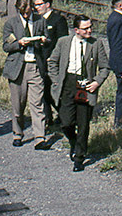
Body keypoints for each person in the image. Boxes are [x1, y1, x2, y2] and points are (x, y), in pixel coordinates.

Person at [47, 14, 110, 171]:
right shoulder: (64, 43)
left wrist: (96, 82)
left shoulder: (96, 44)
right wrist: (56, 80)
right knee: (66, 122)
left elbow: (105, 67)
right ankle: (73, 141)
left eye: (90, 27)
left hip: (86, 87)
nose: (89, 30)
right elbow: (52, 62)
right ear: (76, 30)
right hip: (68, 84)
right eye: (85, 28)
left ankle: (79, 157)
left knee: (83, 124)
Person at [2, 0, 49, 148]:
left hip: (35, 66)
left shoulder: (40, 21)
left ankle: (40, 137)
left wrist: (43, 41)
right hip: (18, 69)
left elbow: (48, 39)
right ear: (18, 10)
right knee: (18, 105)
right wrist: (18, 43)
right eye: (24, 12)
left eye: (29, 12)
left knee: (37, 103)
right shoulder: (11, 23)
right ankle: (17, 133)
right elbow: (6, 46)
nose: (26, 15)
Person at [33, 0, 68, 128]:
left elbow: (62, 41)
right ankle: (48, 118)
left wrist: (54, 58)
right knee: (43, 90)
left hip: (53, 62)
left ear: (48, 4)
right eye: (35, 5)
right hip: (40, 60)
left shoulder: (58, 20)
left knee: (54, 89)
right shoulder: (36, 20)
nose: (37, 8)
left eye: (39, 4)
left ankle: (63, 114)